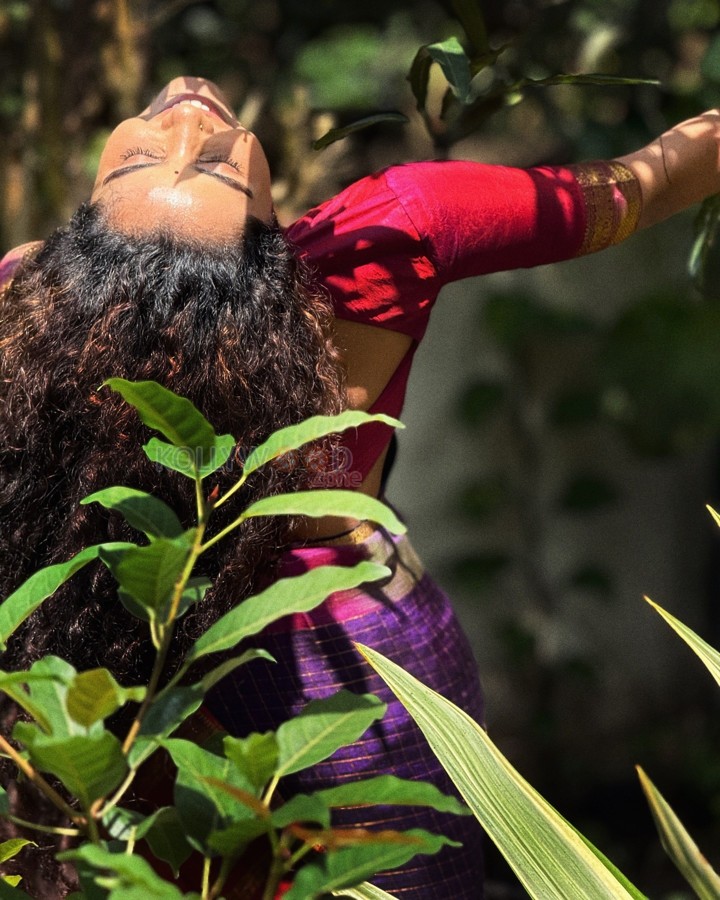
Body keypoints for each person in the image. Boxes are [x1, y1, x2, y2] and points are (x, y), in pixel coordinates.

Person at [1, 75, 720, 899]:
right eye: (215, 168)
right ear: (273, 259)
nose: (191, 117)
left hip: (127, 671)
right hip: (365, 670)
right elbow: (648, 182)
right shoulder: (385, 238)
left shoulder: (28, 322)